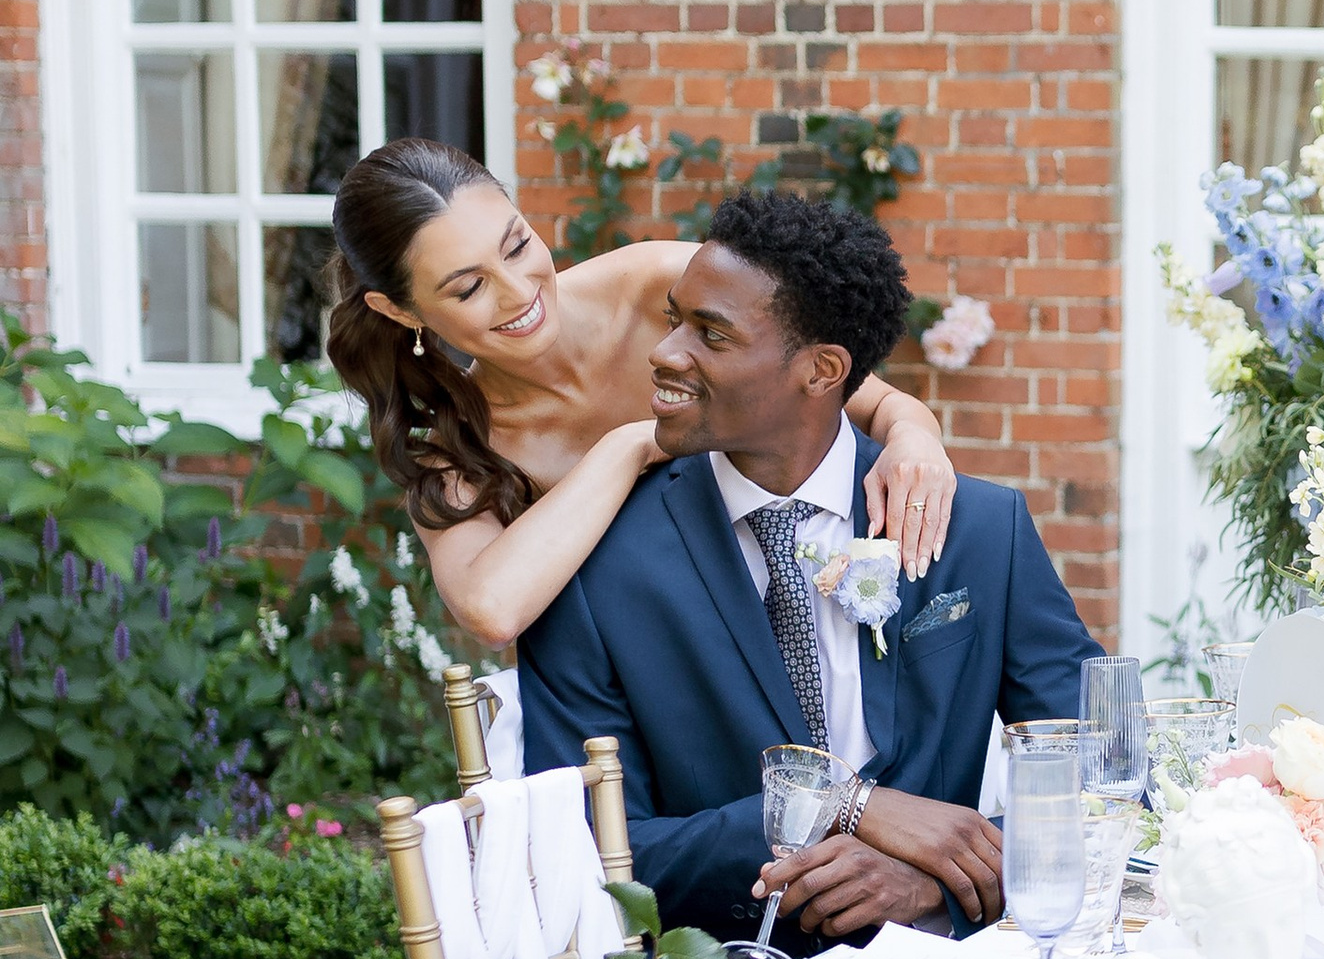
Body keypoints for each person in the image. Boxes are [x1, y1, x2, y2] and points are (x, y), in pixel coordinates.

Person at [511, 190, 1098, 959]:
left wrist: (933, 880)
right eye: (673, 319)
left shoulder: (982, 532)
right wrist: (835, 810)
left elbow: (1102, 780)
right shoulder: (594, 563)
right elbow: (581, 843)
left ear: (821, 371)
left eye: (711, 333)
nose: (666, 353)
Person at [325, 138, 958, 649]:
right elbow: (492, 611)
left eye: (517, 246)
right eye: (468, 288)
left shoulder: (660, 286)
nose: (519, 292)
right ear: (402, 311)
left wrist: (915, 438)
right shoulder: (456, 449)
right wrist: (631, 446)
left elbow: (858, 393)